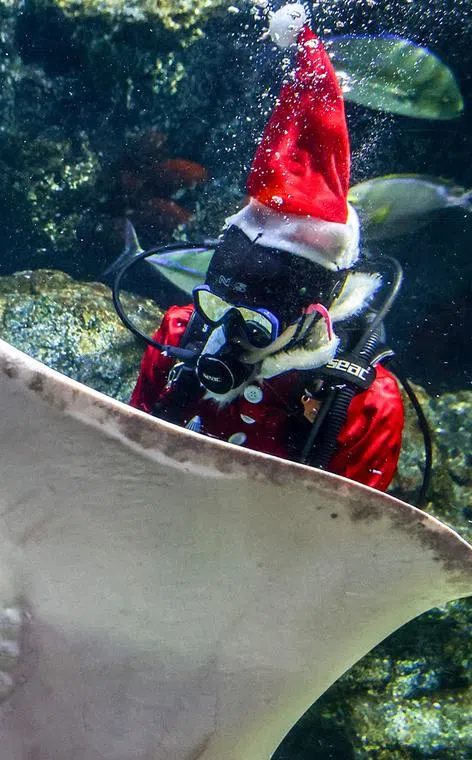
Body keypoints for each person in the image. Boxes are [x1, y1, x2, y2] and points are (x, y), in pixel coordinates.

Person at [126, 4, 404, 491]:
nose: (228, 333)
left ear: (316, 314)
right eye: (217, 307)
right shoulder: (179, 335)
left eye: (256, 324)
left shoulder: (365, 404)